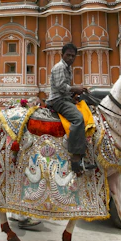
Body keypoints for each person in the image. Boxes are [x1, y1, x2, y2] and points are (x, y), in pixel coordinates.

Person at [44, 43, 90, 173]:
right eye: (68, 55)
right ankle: (75, 158)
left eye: (73, 56)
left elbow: (66, 89)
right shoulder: (60, 67)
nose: (70, 58)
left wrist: (74, 94)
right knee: (78, 118)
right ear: (62, 55)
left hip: (64, 99)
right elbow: (60, 87)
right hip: (57, 101)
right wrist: (75, 88)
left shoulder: (67, 68)